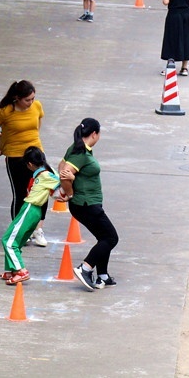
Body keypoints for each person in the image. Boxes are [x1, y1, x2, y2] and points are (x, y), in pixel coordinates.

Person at [0, 80, 48, 247]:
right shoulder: (6, 111)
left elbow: (37, 124)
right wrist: (0, 136)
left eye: (33, 98)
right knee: (20, 194)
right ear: (17, 98)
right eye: (27, 100)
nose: (31, 102)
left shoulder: (37, 106)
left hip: (36, 154)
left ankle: (38, 229)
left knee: (43, 189)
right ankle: (19, 231)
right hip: (15, 156)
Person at [58, 117, 119, 290]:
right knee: (111, 238)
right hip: (86, 204)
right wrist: (69, 193)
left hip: (87, 203)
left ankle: (102, 275)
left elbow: (61, 165)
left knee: (103, 237)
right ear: (94, 134)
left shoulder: (76, 148)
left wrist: (73, 181)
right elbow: (64, 173)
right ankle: (85, 268)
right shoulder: (81, 153)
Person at [0, 146, 59, 285]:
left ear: (30, 164)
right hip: (34, 211)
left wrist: (66, 192)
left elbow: (60, 183)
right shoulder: (46, 172)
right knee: (16, 240)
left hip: (30, 209)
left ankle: (21, 270)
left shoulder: (45, 175)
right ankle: (11, 270)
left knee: (8, 241)